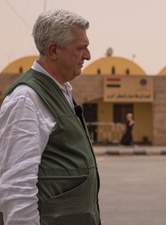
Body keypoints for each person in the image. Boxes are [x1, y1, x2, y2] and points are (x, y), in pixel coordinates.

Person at [0, 9, 101, 225]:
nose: (88, 56)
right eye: (81, 48)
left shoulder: (62, 90)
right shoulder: (26, 98)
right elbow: (16, 186)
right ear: (54, 50)